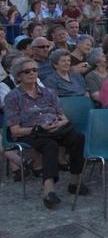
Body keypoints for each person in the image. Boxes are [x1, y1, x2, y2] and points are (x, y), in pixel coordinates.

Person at [3, 58, 88, 208]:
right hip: (32, 131)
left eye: (35, 70)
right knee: (50, 145)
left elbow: (62, 116)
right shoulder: (13, 97)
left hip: (54, 128)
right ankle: (48, 191)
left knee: (78, 138)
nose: (32, 73)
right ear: (18, 76)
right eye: (27, 71)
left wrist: (59, 123)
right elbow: (15, 130)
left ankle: (75, 181)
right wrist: (39, 128)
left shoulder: (49, 92)